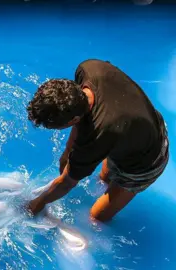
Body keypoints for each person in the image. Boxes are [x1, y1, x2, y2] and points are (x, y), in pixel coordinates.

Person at [25, 59, 169, 222]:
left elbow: (66, 183)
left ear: (74, 120)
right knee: (103, 180)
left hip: (147, 159)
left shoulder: (98, 135)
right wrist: (67, 152)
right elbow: (83, 121)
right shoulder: (89, 69)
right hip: (139, 123)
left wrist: (38, 202)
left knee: (96, 218)